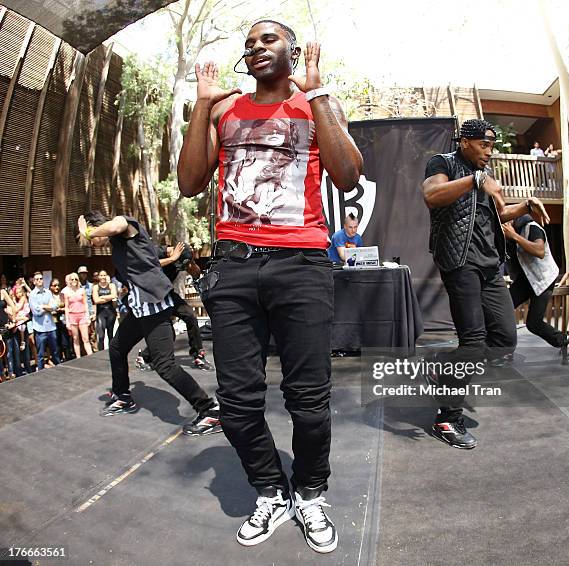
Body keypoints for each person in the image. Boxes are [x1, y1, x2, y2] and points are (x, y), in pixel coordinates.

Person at [177, 20, 363, 553]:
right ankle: (270, 491)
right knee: (236, 404)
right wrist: (201, 103)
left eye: (269, 39)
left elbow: (348, 174)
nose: (256, 47)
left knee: (308, 401)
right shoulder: (225, 110)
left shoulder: (315, 105)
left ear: (293, 51)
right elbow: (191, 183)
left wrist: (318, 89)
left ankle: (308, 492)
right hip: (233, 266)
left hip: (301, 263)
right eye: (250, 42)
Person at [422, 118, 550, 450]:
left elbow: (498, 214)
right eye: (485, 145)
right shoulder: (444, 163)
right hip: (459, 263)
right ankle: (447, 418)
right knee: (474, 342)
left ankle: (442, 367)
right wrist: (475, 180)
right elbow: (432, 195)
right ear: (465, 141)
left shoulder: (486, 176)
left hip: (491, 264)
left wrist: (525, 207)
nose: (489, 152)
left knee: (506, 339)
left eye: (492, 146)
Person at [76, 211, 219, 431]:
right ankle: (122, 395)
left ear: (98, 226)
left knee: (164, 365)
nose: (92, 243)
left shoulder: (125, 226)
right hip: (140, 308)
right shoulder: (119, 246)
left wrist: (86, 229)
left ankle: (208, 410)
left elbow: (115, 226)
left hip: (154, 307)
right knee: (116, 348)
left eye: (91, 239)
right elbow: (152, 258)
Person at [502, 216, 569, 364]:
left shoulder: (532, 227)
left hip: (544, 279)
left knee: (533, 323)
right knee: (502, 310)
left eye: (506, 221)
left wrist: (514, 236)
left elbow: (540, 250)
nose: (504, 225)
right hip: (526, 279)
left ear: (513, 220)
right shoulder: (507, 235)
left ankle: (565, 341)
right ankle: (503, 350)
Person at [136, 242, 213, 372]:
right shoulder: (156, 251)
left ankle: (198, 355)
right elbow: (147, 267)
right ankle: (144, 357)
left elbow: (196, 274)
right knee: (168, 332)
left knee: (191, 316)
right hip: (153, 296)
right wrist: (172, 259)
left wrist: (192, 263)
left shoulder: (183, 257)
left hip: (168, 294)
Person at [28, 271, 61, 371]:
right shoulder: (32, 295)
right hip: (40, 329)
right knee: (41, 354)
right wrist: (48, 308)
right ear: (34, 282)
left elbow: (55, 306)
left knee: (55, 352)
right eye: (37, 279)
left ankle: (60, 370)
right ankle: (40, 373)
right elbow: (36, 312)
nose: (39, 281)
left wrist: (43, 306)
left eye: (41, 278)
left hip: (51, 326)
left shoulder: (48, 292)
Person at [63, 272, 94, 358]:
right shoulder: (67, 293)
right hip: (72, 316)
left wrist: (88, 317)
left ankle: (91, 357)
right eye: (72, 279)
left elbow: (86, 304)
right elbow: (66, 307)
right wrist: (67, 321)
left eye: (76, 279)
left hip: (82, 315)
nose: (74, 281)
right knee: (75, 339)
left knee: (86, 338)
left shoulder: (82, 290)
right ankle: (78, 357)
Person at [49, 278, 73, 361]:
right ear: (51, 286)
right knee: (56, 341)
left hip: (63, 320)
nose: (57, 287)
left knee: (65, 341)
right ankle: (58, 359)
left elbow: (68, 306)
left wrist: (60, 309)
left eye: (58, 285)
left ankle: (68, 357)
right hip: (53, 321)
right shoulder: (49, 296)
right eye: (54, 285)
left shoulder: (62, 295)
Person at [92, 270, 117, 351]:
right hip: (101, 312)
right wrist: (108, 297)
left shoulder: (111, 285)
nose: (103, 277)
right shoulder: (96, 287)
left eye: (104, 275)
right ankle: (101, 352)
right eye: (101, 275)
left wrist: (102, 297)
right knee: (101, 335)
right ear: (98, 277)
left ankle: (111, 351)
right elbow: (96, 300)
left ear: (107, 276)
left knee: (110, 334)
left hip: (110, 311)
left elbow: (114, 295)